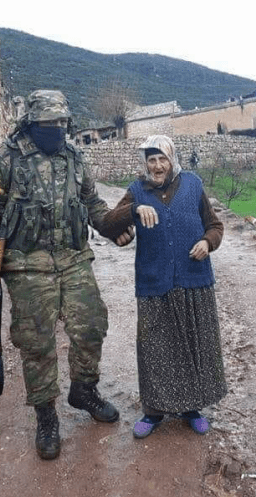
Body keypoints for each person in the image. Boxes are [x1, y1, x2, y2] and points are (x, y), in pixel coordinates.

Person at [0, 89, 133, 460]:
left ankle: (83, 390)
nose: (56, 129)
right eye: (48, 123)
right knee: (36, 342)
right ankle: (46, 416)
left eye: (61, 123)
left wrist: (110, 226)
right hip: (26, 265)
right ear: (31, 123)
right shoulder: (5, 159)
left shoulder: (73, 156)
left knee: (91, 326)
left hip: (73, 258)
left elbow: (91, 203)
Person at [100, 135, 227, 438]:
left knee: (192, 345)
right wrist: (132, 211)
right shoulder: (137, 191)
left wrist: (207, 243)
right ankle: (153, 412)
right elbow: (107, 226)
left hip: (193, 280)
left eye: (162, 159)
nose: (157, 166)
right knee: (155, 349)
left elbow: (216, 226)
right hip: (153, 282)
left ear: (172, 160)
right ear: (145, 164)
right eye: (151, 159)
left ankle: (192, 408)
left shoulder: (193, 184)